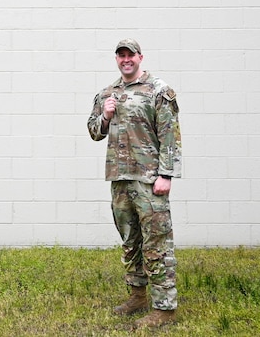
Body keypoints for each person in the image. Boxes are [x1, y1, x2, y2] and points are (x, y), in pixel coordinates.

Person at [87, 38, 182, 329]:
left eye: (131, 55)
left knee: (157, 242)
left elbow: (170, 135)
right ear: (117, 59)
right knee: (131, 242)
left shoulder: (158, 91)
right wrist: (105, 115)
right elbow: (93, 131)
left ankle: (164, 308)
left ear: (140, 57)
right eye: (121, 55)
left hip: (149, 179)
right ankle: (138, 296)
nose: (126, 60)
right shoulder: (107, 93)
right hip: (120, 179)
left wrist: (166, 175)